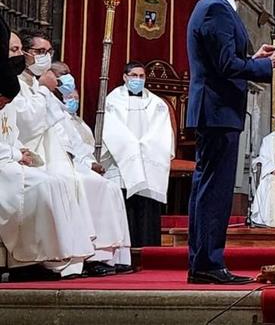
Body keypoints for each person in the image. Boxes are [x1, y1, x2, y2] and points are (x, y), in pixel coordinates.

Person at [186, 0, 275, 284]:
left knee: (209, 187)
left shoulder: (213, 8)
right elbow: (225, 66)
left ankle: (204, 262)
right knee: (215, 189)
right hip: (217, 110)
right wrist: (271, 63)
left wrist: (254, 58)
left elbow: (229, 59)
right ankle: (207, 263)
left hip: (218, 109)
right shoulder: (215, 10)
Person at [1, 34, 97, 280]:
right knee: (46, 184)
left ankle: (40, 258)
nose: (20, 54)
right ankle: (26, 260)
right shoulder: (19, 87)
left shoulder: (20, 90)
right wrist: (15, 152)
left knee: (52, 181)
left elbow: (12, 133)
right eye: (14, 49)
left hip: (11, 158)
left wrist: (19, 151)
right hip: (6, 161)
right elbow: (26, 126)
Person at [39, 62, 132, 274]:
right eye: (62, 74)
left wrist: (89, 162)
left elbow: (74, 140)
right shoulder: (42, 98)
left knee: (108, 186)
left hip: (73, 162)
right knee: (89, 185)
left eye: (69, 73)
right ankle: (87, 257)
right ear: (49, 74)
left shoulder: (58, 106)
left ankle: (108, 256)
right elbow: (55, 138)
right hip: (51, 160)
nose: (67, 78)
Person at [102, 61, 174, 248]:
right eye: (134, 76)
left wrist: (146, 146)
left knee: (147, 203)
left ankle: (149, 246)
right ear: (125, 77)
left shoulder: (157, 103)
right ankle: (125, 249)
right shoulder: (112, 100)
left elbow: (162, 130)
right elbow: (112, 129)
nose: (138, 79)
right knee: (126, 204)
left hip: (149, 156)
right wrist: (132, 146)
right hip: (122, 158)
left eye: (142, 76)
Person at [251, 109, 275, 228]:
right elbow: (263, 157)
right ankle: (272, 223)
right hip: (272, 173)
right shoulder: (268, 139)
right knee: (272, 185)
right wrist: (273, 170)